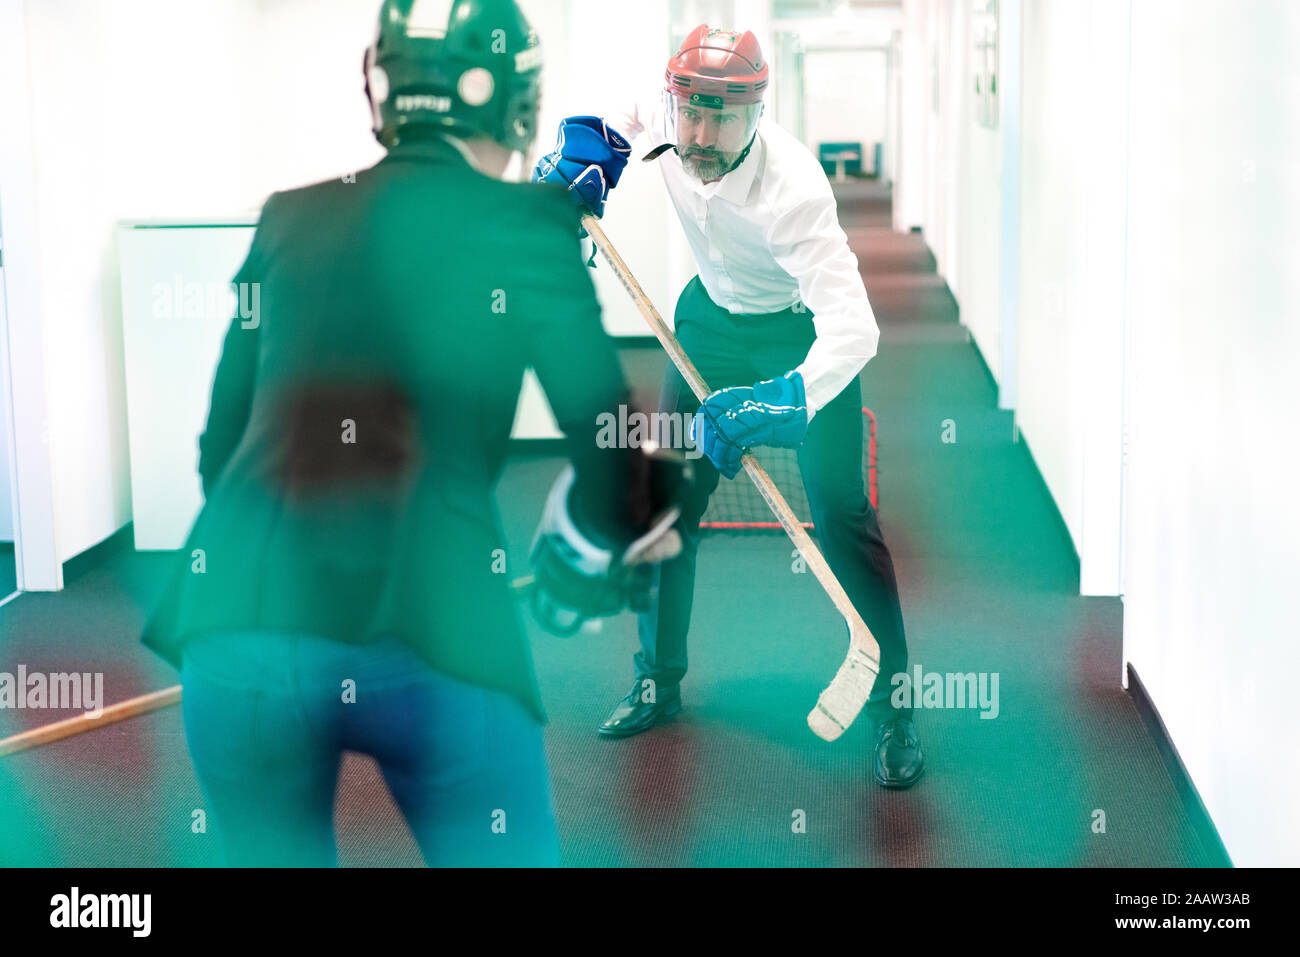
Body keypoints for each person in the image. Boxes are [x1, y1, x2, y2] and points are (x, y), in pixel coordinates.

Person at [142, 0, 683, 867]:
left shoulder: (291, 216)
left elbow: (219, 446)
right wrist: (590, 552)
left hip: (237, 622)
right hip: (439, 626)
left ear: (383, 89)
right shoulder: (531, 227)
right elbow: (610, 442)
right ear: (518, 100)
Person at [534, 25, 924, 788]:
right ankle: (657, 678)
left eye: (724, 118)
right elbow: (609, 130)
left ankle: (896, 707)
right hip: (709, 324)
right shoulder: (668, 114)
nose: (702, 135)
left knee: (842, 515)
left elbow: (854, 327)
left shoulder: (796, 190)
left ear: (756, 113)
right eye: (691, 114)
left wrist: (780, 400)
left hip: (798, 336)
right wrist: (584, 164)